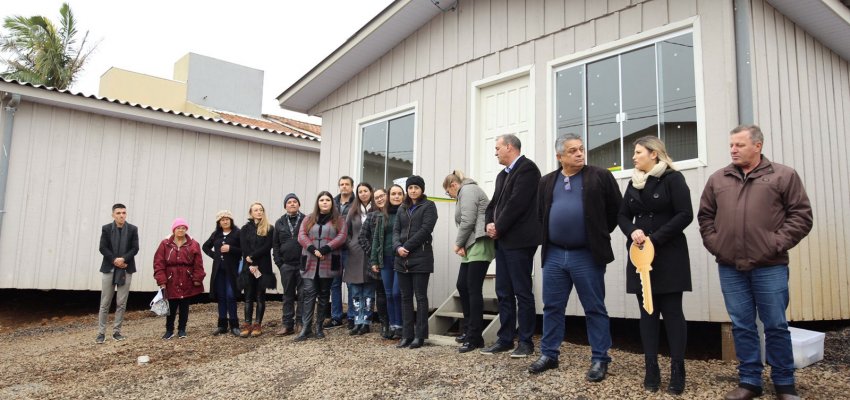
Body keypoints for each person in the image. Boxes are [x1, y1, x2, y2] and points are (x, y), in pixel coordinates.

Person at [698, 125, 813, 400]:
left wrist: (775, 243)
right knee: (742, 325)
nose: (733, 150)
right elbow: (705, 218)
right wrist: (718, 245)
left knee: (775, 324)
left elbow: (801, 216)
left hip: (770, 265)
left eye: (739, 145)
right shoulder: (718, 179)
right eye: (731, 145)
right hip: (730, 266)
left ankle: (784, 384)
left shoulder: (783, 175)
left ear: (758, 146)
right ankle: (749, 382)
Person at [528, 133, 621, 382]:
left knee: (594, 308)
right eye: (572, 151)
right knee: (552, 307)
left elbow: (615, 211)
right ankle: (549, 354)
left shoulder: (600, 176)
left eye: (581, 149)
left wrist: (595, 233)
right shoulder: (547, 181)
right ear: (559, 157)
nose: (579, 154)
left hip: (586, 254)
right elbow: (540, 215)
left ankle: (600, 358)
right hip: (555, 254)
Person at [617, 136, 693, 394]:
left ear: (654, 154)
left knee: (672, 313)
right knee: (647, 313)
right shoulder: (634, 182)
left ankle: (677, 371)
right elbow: (622, 215)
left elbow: (685, 214)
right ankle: (651, 369)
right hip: (640, 256)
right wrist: (633, 231)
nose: (634, 157)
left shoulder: (673, 179)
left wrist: (655, 239)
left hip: (668, 255)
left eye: (638, 152)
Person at [480, 134, 542, 358]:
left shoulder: (528, 169)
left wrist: (499, 227)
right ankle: (505, 339)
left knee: (521, 291)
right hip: (503, 242)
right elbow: (493, 204)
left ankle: (525, 342)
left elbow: (518, 203)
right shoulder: (501, 175)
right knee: (503, 291)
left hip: (520, 241)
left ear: (509, 147)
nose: (495, 152)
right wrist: (489, 223)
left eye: (497, 148)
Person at [443, 170, 494, 353]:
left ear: (453, 186)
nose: (450, 196)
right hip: (471, 244)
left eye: (448, 193)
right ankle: (469, 331)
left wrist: (458, 243)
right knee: (462, 285)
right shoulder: (465, 191)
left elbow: (468, 220)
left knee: (473, 288)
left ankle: (475, 337)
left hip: (480, 242)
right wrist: (463, 244)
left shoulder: (468, 190)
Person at [295, 191, 348, 341]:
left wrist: (326, 248)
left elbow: (342, 236)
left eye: (327, 200)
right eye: (322, 200)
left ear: (332, 203)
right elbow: (301, 235)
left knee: (324, 295)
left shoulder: (339, 220)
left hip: (329, 260)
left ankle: (319, 327)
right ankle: (306, 328)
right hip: (310, 261)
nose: (324, 202)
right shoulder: (308, 218)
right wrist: (312, 249)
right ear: (318, 203)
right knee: (309, 294)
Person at [393, 175, 438, 349]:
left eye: (416, 188)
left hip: (421, 257)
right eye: (410, 188)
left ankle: (420, 336)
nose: (413, 191)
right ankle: (406, 334)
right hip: (401, 258)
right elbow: (396, 230)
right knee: (405, 297)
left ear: (422, 189)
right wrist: (398, 247)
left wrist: (407, 247)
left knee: (420, 297)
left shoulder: (429, 206)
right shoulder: (402, 208)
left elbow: (426, 230)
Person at [362, 185, 405, 339]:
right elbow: (375, 240)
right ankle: (392, 326)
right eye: (393, 194)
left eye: (399, 194)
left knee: (396, 293)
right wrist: (374, 259)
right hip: (384, 258)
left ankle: (400, 325)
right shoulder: (382, 215)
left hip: (400, 258)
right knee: (388, 294)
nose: (396, 197)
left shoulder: (404, 212)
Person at [153, 218, 206, 339]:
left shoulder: (194, 244)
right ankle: (169, 330)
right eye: (178, 228)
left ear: (186, 229)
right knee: (171, 305)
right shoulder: (165, 244)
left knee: (184, 306)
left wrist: (198, 278)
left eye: (183, 228)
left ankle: (182, 329)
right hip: (171, 279)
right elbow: (158, 263)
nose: (181, 230)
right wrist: (162, 280)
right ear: (174, 230)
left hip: (187, 278)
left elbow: (198, 263)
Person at [96, 203, 139, 344]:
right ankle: (101, 333)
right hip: (109, 268)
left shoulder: (133, 229)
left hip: (126, 268)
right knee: (105, 302)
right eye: (119, 213)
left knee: (121, 302)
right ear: (113, 215)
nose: (122, 215)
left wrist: (123, 259)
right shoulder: (106, 229)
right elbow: (103, 248)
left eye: (124, 213)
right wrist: (115, 260)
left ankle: (117, 332)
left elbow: (135, 248)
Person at [202, 210, 243, 337]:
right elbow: (205, 247)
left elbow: (244, 250)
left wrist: (231, 249)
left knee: (231, 296)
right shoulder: (216, 234)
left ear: (231, 220)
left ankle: (234, 325)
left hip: (232, 271)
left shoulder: (238, 233)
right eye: (222, 220)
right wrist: (216, 255)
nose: (225, 221)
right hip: (219, 271)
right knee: (221, 298)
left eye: (227, 219)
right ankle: (222, 325)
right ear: (219, 222)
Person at [343, 182, 376, 335]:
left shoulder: (376, 209)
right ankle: (357, 320)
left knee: (369, 290)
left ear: (371, 192)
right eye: (360, 191)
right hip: (354, 254)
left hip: (370, 252)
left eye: (365, 191)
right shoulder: (353, 211)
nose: (363, 193)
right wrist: (350, 244)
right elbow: (346, 232)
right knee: (355, 290)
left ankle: (366, 321)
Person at [239, 202, 275, 338]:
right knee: (248, 297)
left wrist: (253, 257)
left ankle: (257, 324)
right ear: (251, 213)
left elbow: (267, 247)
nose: (259, 212)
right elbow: (244, 246)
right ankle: (247, 324)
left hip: (263, 266)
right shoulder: (244, 229)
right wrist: (250, 261)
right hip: (248, 267)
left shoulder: (269, 228)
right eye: (256, 210)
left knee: (260, 296)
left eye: (261, 210)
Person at [272, 193, 305, 336]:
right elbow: (275, 245)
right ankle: (287, 324)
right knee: (288, 296)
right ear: (285, 206)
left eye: (295, 202)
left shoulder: (306, 220)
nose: (292, 204)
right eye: (289, 202)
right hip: (287, 265)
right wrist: (280, 263)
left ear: (299, 205)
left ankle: (300, 323)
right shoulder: (279, 223)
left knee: (303, 294)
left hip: (303, 265)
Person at [328, 175, 355, 329]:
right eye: (341, 184)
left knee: (351, 284)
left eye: (347, 184)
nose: (344, 186)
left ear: (352, 186)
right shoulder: (332, 203)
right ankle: (336, 317)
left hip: (350, 249)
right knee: (335, 284)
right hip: (334, 249)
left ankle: (351, 316)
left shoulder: (357, 203)